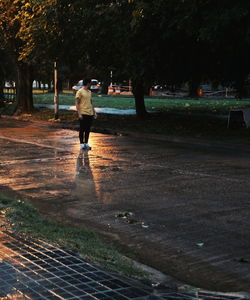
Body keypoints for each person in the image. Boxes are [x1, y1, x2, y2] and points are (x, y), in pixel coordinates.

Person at [75, 78, 97, 150]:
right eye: (90, 83)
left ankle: (86, 143)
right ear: (87, 83)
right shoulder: (80, 92)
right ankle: (81, 144)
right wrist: (79, 113)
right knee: (82, 129)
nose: (90, 84)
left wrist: (94, 112)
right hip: (83, 112)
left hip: (89, 113)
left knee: (88, 129)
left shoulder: (89, 92)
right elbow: (77, 103)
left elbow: (91, 103)